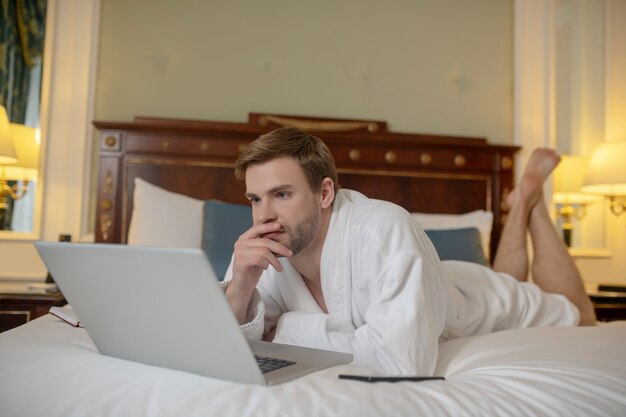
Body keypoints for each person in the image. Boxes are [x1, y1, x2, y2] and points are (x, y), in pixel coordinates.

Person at [222, 127, 596, 376]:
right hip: (435, 278)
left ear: (324, 193)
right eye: (255, 199)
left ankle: (531, 201)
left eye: (281, 194)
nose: (265, 214)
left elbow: (402, 362)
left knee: (578, 312)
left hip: (470, 304)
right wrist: (239, 288)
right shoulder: (259, 247)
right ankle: (523, 203)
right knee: (507, 277)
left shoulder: (383, 229)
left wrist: (285, 328)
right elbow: (218, 346)